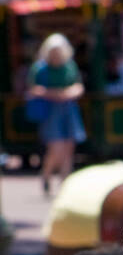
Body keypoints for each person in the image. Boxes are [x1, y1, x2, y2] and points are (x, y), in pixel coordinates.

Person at [26, 34, 87, 196]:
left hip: (68, 109)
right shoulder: (40, 68)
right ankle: (46, 175)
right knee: (56, 149)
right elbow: (33, 89)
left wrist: (68, 93)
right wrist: (54, 94)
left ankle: (65, 185)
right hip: (51, 111)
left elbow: (78, 86)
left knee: (68, 148)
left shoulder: (69, 66)